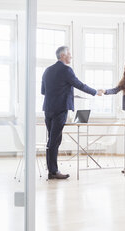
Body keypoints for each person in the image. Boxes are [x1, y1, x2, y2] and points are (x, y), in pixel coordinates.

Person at [41, 46, 102, 179]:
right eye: (69, 54)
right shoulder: (66, 70)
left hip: (48, 109)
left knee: (52, 140)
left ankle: (52, 170)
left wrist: (61, 92)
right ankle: (53, 171)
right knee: (54, 141)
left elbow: (43, 91)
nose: (71, 56)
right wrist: (95, 92)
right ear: (63, 56)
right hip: (60, 110)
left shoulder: (47, 70)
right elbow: (79, 84)